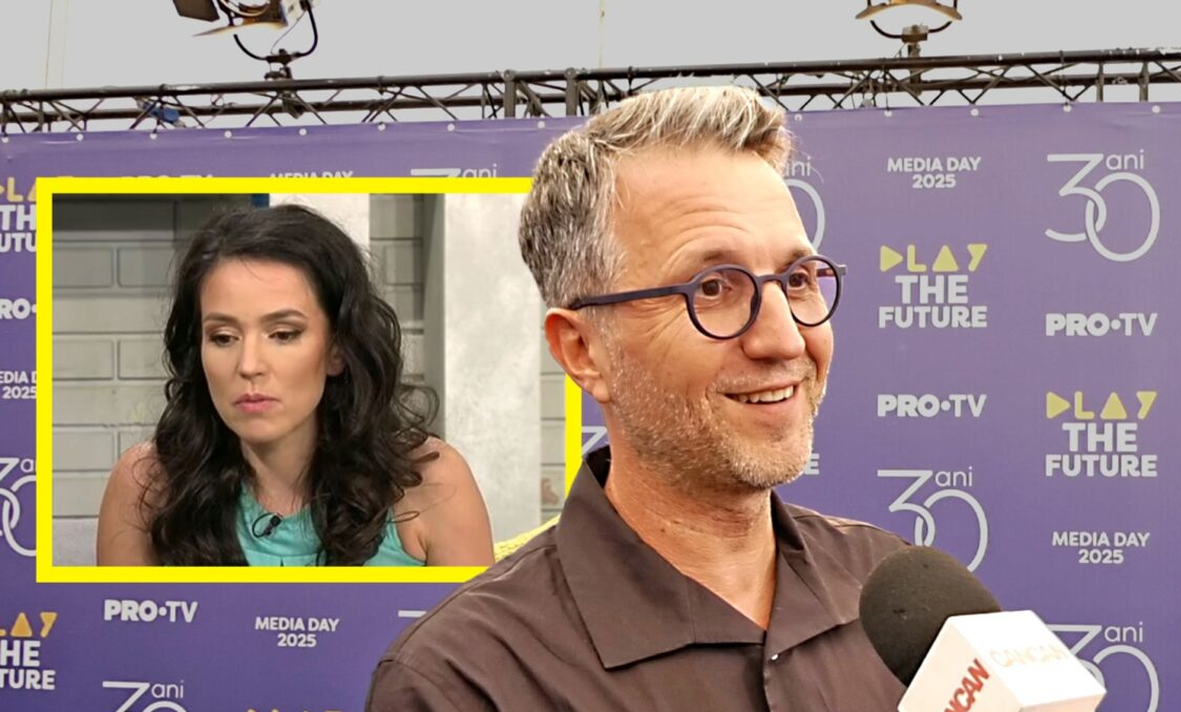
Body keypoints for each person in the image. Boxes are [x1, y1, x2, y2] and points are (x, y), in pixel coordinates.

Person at [365, 86, 907, 710]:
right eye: (713, 288)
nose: (785, 338)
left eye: (798, 279)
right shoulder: (464, 682)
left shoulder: (896, 598)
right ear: (582, 351)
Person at [96, 204, 494, 567]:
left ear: (337, 348)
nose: (249, 365)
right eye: (223, 337)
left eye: (283, 334)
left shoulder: (432, 484)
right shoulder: (146, 486)